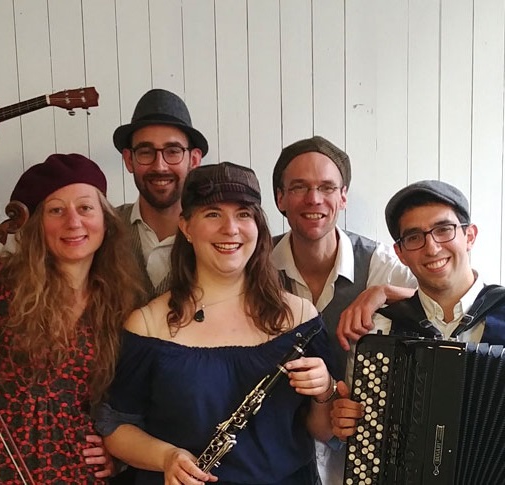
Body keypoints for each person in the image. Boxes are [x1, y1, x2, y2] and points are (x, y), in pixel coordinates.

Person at [96, 162, 338, 485]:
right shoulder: (148, 325)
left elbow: (323, 431)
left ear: (257, 226)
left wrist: (325, 391)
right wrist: (167, 457)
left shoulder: (300, 318)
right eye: (213, 214)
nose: (230, 229)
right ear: (186, 227)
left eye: (243, 214)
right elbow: (116, 428)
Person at [0, 153, 145, 483]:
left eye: (85, 208)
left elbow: (135, 397)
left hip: (80, 470)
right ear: (37, 225)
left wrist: (118, 452)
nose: (74, 222)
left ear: (105, 219)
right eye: (56, 210)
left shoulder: (126, 300)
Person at [0, 88, 207, 300]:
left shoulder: (214, 237)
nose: (160, 165)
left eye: (173, 151)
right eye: (145, 152)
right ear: (129, 160)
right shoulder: (93, 230)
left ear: (194, 159)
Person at [270, 135, 417, 483]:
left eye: (327, 187)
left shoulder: (379, 263)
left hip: (361, 457)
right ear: (280, 198)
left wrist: (382, 292)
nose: (314, 199)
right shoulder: (256, 264)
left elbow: (441, 301)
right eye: (299, 187)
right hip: (278, 452)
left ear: (343, 196)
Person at [331, 179, 505, 442]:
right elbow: (360, 428)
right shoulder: (379, 331)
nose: (432, 248)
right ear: (400, 253)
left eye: (444, 230)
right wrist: (348, 421)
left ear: (469, 236)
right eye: (414, 237)